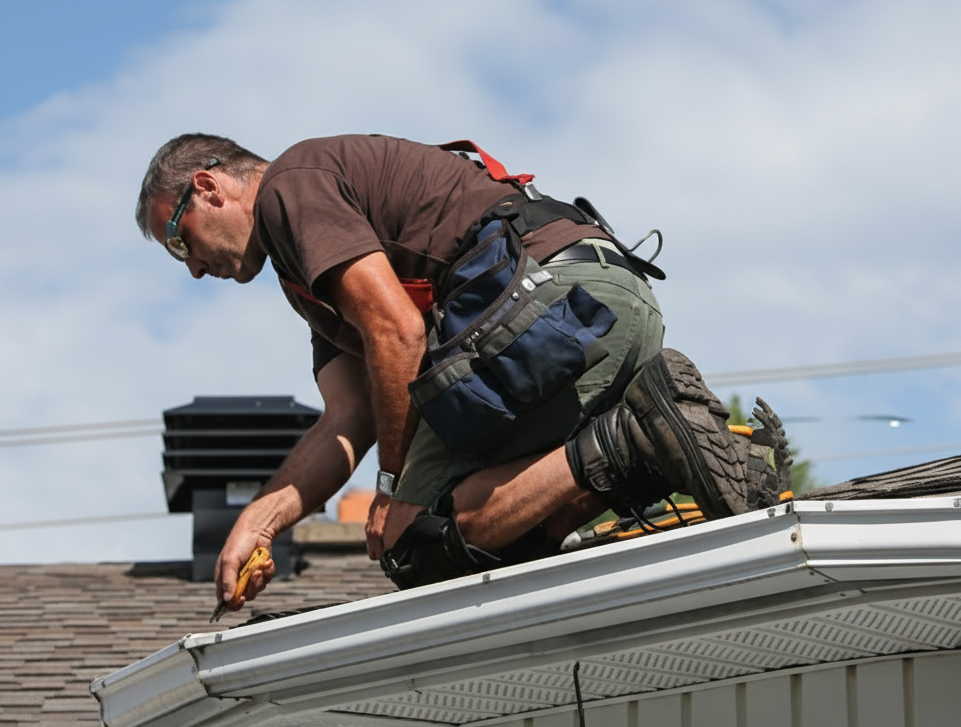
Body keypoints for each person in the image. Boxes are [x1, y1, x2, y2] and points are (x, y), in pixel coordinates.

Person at [136, 133, 787, 614]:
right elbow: (348, 417)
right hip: (601, 303)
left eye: (176, 240)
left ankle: (636, 438)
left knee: (414, 541)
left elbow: (397, 331)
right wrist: (264, 519)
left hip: (556, 309)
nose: (192, 268)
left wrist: (390, 491)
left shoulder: (290, 187)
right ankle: (680, 445)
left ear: (208, 185)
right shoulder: (308, 277)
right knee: (518, 531)